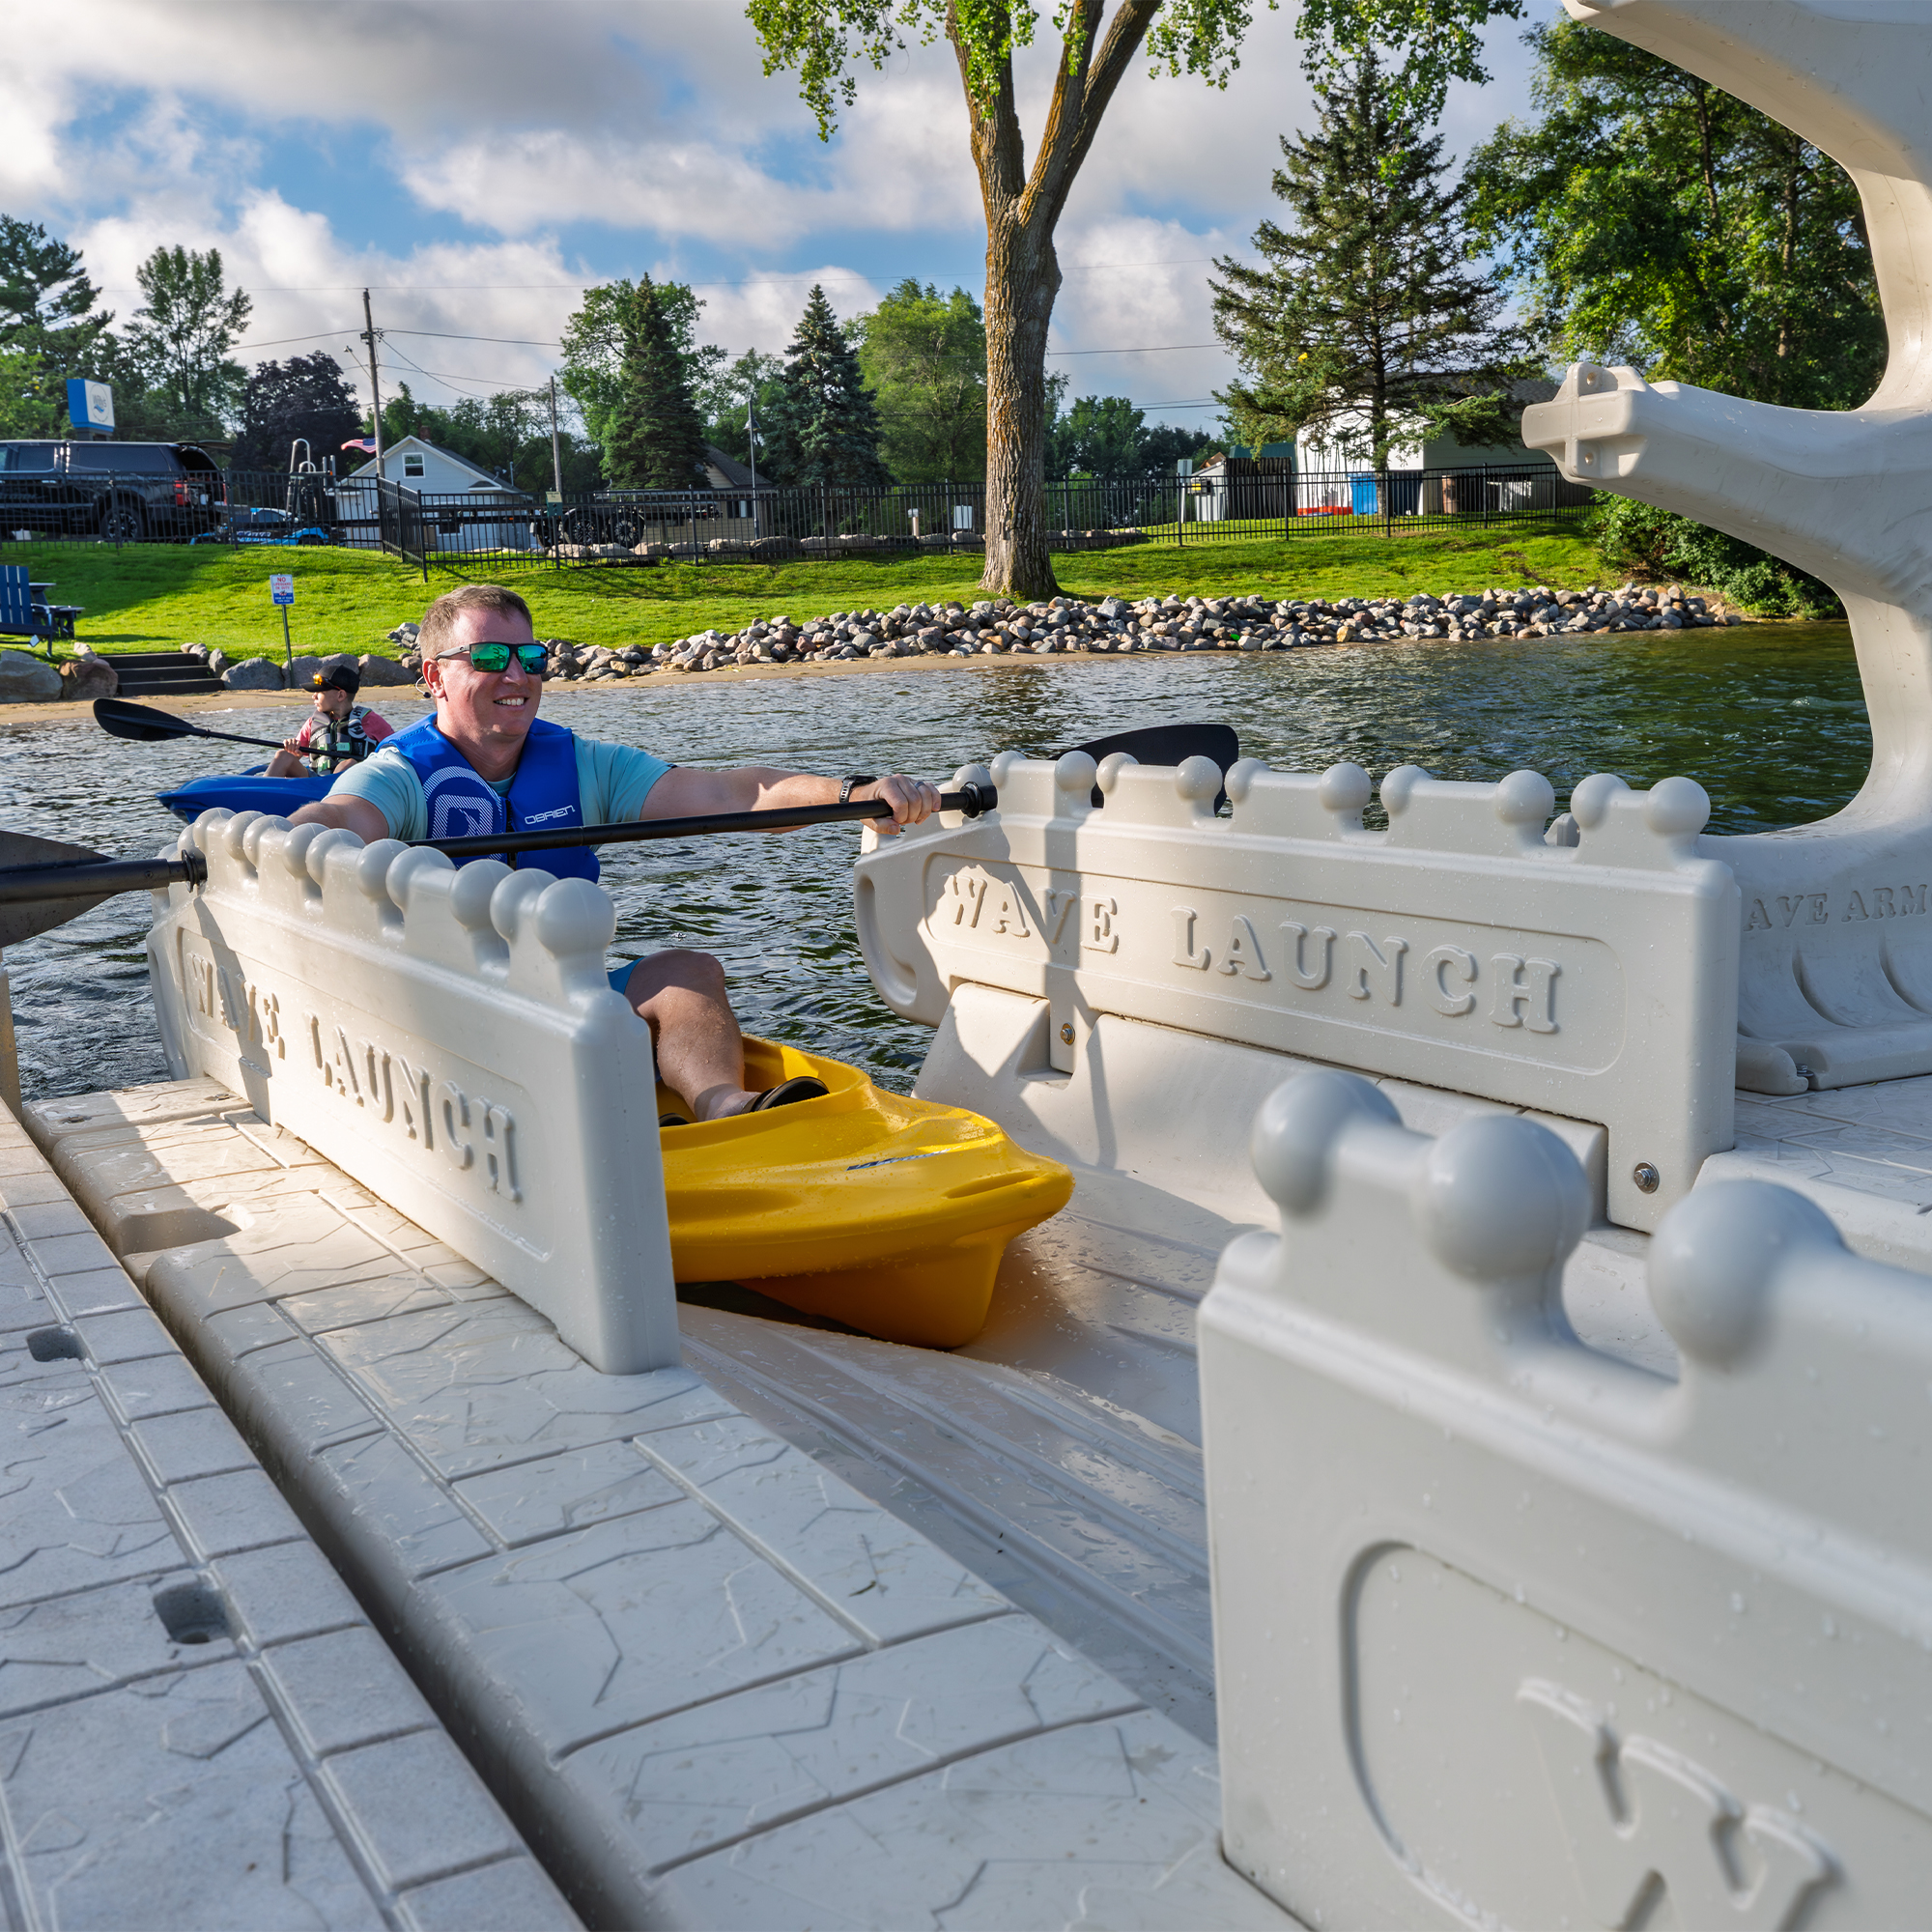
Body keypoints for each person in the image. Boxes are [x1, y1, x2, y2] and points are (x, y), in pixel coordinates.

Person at [287, 582, 943, 1122]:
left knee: (688, 969)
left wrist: (856, 791)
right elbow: (344, 815)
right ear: (435, 676)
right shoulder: (399, 772)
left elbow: (738, 792)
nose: (516, 674)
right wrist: (310, 829)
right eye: (489, 657)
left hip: (563, 1001)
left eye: (531, 657)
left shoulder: (582, 766)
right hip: (443, 1023)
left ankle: (724, 1108)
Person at [266, 666, 395, 777]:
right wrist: (292, 749)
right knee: (283, 755)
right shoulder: (313, 723)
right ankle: (259, 794)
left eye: (319, 692)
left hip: (354, 786)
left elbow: (396, 750)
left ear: (340, 695)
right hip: (316, 782)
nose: (313, 696)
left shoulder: (370, 720)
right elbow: (297, 754)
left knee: (348, 764)